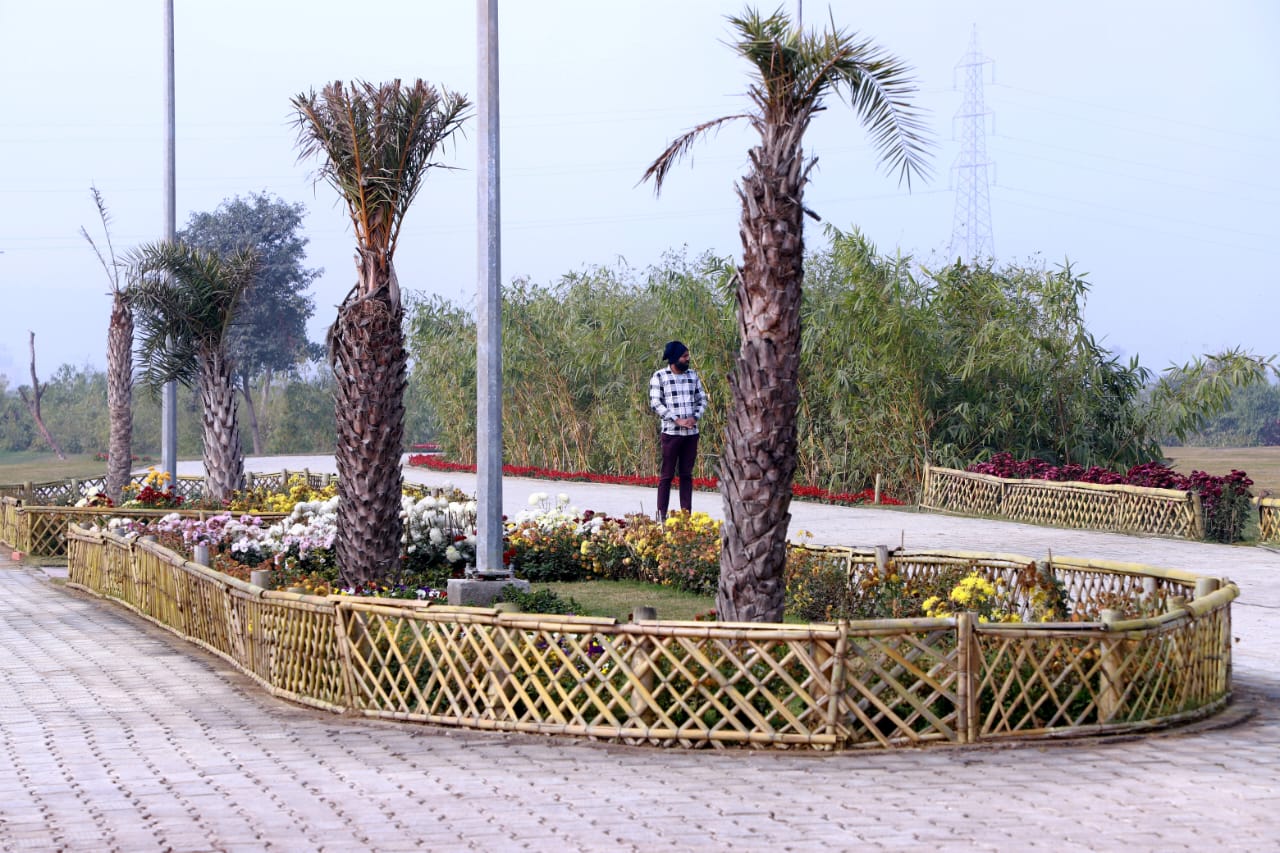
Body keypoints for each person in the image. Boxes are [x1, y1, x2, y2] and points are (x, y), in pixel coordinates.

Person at [648, 340, 707, 520]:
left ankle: (685, 517)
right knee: (666, 476)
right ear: (674, 358)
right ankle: (662, 516)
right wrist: (676, 419)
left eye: (687, 356)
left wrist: (694, 417)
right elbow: (655, 403)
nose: (688, 359)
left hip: (691, 434)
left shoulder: (693, 376)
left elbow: (702, 399)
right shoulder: (660, 376)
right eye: (684, 356)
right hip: (671, 434)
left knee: (686, 475)